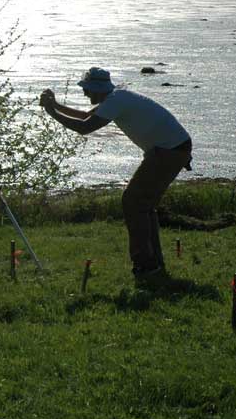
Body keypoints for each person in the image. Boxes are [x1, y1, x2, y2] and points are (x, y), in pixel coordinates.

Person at [40, 67, 192, 280]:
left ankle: (146, 265)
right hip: (173, 148)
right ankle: (153, 263)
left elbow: (84, 127)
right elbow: (85, 116)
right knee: (144, 206)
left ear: (97, 88)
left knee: (133, 202)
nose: (85, 94)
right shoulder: (116, 97)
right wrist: (55, 105)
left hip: (169, 150)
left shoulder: (115, 100)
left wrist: (51, 112)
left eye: (87, 89)